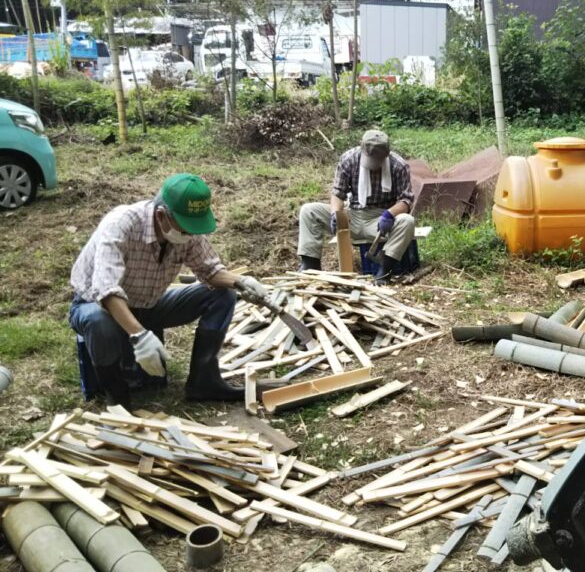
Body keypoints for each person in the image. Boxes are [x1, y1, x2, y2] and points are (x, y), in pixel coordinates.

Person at [69, 174, 269, 408]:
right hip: (98, 306)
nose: (189, 235)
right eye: (185, 229)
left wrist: (241, 281)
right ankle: (116, 395)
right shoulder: (121, 224)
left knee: (222, 293)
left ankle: (203, 382)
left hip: (149, 304)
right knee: (98, 321)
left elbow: (210, 270)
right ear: (162, 215)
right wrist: (140, 336)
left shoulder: (187, 231)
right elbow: (106, 291)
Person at [297, 130, 416, 282]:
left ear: (386, 155)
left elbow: (406, 200)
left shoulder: (398, 165)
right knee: (309, 211)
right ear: (361, 148)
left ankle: (385, 271)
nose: (373, 165)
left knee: (407, 221)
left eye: (377, 160)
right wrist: (335, 213)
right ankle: (310, 265)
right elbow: (338, 194)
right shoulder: (349, 159)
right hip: (353, 216)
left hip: (380, 222)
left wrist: (390, 214)